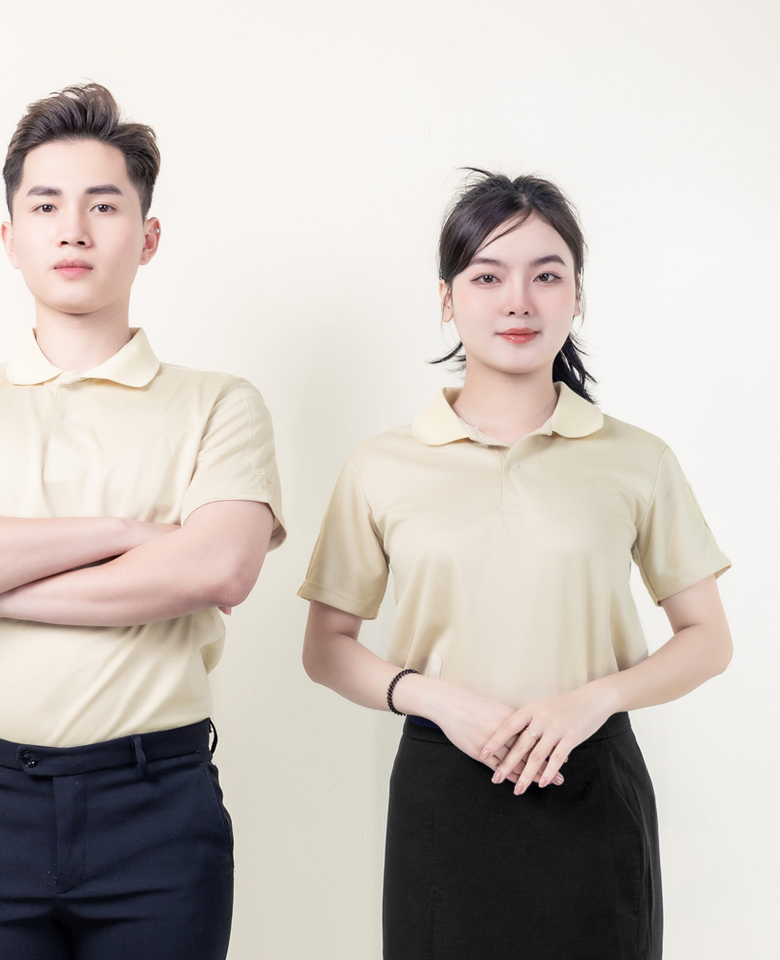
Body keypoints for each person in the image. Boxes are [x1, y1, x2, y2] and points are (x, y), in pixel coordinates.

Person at [0, 83, 285, 960]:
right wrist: (129, 535)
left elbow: (219, 569)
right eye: (46, 205)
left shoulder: (220, 404)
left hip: (157, 808)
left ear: (148, 236)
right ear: (10, 237)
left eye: (104, 205)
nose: (74, 230)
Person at [298, 170, 731, 960]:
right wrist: (432, 699)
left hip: (593, 785)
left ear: (577, 295)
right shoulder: (381, 465)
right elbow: (326, 646)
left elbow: (708, 638)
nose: (518, 302)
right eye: (488, 276)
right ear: (447, 298)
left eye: (547, 276)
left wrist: (594, 700)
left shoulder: (636, 459)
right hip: (444, 789)